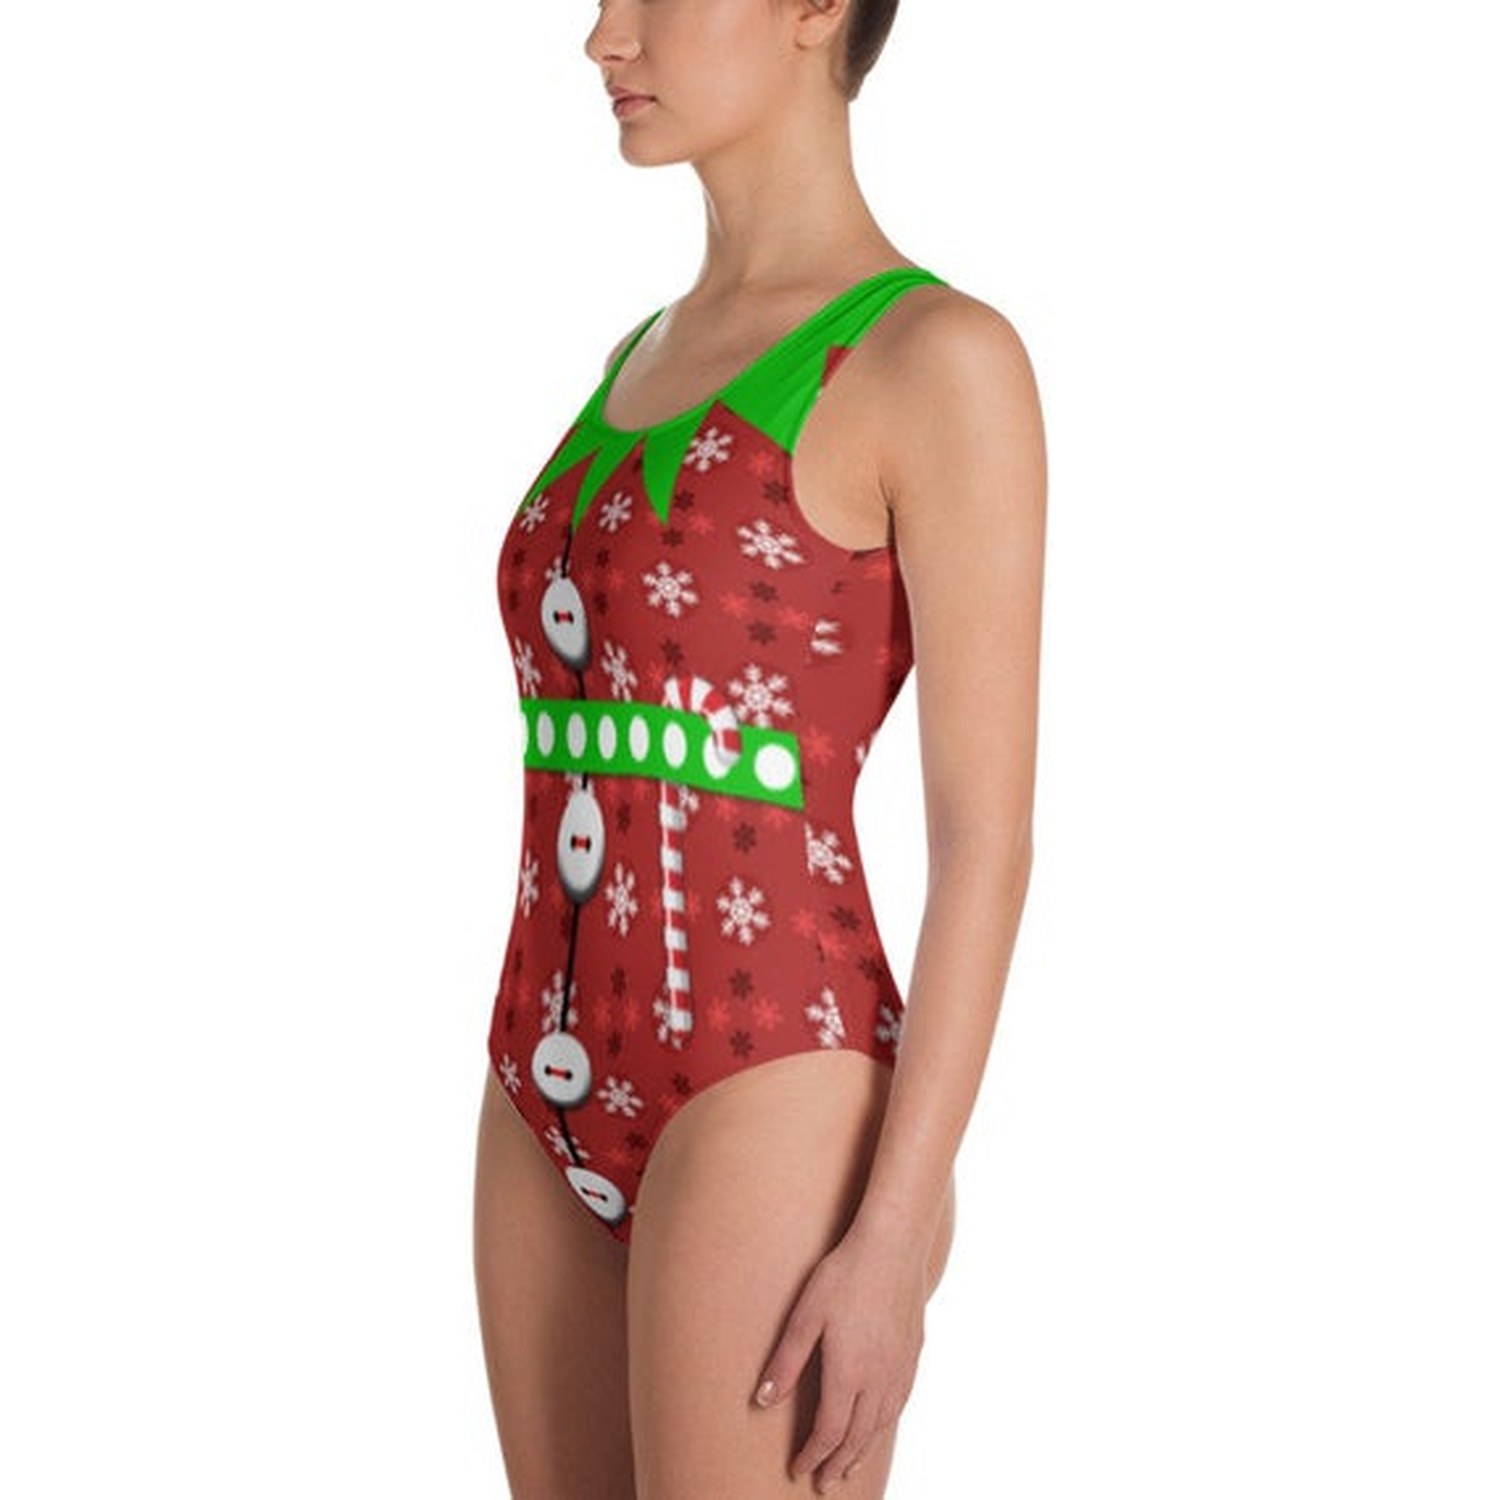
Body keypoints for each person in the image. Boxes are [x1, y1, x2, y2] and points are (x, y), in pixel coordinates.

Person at [471, 1, 1046, 1494]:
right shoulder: (639, 353)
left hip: (775, 1074)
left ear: (815, 7)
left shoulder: (937, 357)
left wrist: (896, 1237)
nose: (605, 39)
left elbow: (984, 838)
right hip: (537, 1068)